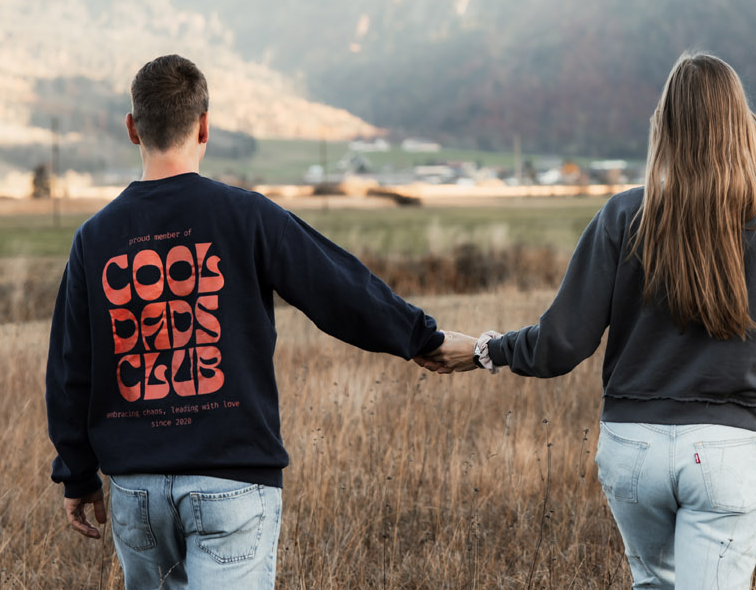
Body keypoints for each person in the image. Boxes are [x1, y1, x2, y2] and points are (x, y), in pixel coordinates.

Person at [45, 54, 472, 589]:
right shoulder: (246, 215)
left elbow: (70, 367)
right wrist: (420, 338)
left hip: (137, 489)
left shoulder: (94, 238)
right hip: (231, 480)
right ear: (204, 126)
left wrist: (77, 473)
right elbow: (337, 289)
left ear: (132, 129)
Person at [421, 52, 756, 590]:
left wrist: (483, 351)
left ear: (665, 128)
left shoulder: (622, 217)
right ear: (743, 128)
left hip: (632, 447)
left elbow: (561, 343)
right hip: (727, 453)